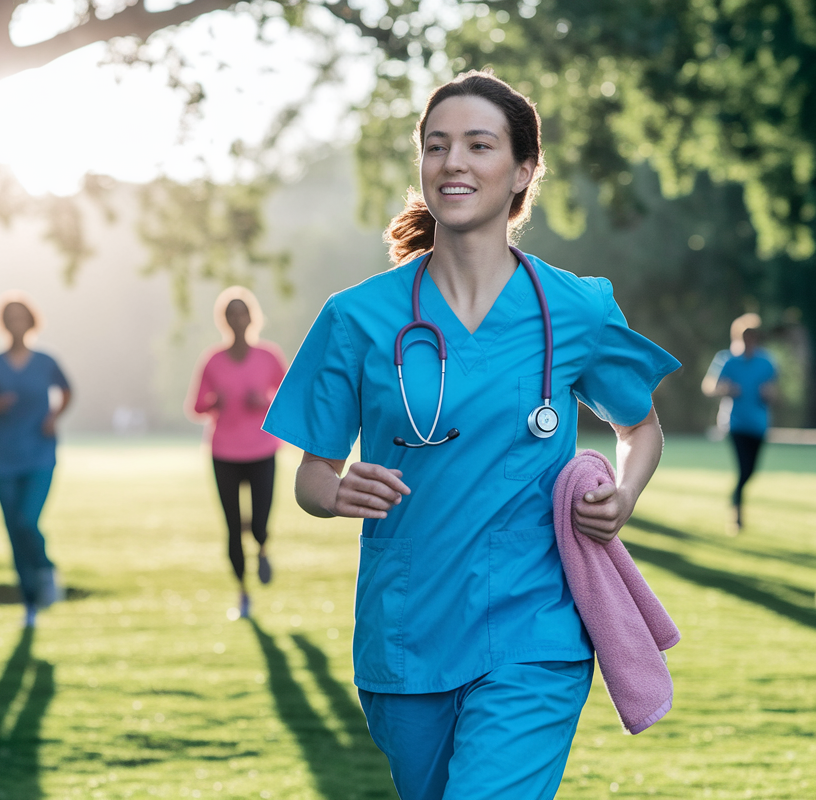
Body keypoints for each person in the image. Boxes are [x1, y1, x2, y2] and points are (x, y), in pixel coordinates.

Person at [262, 71, 681, 800]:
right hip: (406, 634)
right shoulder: (357, 317)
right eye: (436, 145)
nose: (452, 162)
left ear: (522, 171)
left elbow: (639, 426)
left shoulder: (575, 308)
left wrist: (625, 494)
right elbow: (309, 478)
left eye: (478, 145)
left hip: (534, 632)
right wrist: (336, 491)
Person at [187, 287, 287, 619]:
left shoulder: (269, 357)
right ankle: (243, 592)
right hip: (224, 453)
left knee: (259, 522)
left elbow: (288, 400)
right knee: (232, 527)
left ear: (252, 317)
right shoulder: (213, 360)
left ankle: (262, 547)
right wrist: (215, 403)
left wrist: (265, 402)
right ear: (224, 321)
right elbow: (196, 406)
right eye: (231, 314)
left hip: (262, 450)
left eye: (242, 312)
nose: (237, 319)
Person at [0, 294, 72, 628]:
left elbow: (67, 390)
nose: (16, 324)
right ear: (3, 324)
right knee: (13, 529)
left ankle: (45, 570)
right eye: (10, 318)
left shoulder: (45, 362)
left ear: (31, 321)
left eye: (21, 317)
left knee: (28, 520)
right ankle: (29, 602)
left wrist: (54, 416)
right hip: (3, 455)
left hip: (40, 453)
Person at [701, 313, 778, 531]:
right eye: (745, 335)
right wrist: (725, 389)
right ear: (738, 336)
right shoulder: (727, 359)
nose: (749, 339)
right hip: (735, 424)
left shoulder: (767, 361)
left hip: (759, 425)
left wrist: (770, 394)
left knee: (750, 471)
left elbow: (776, 393)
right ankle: (737, 514)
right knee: (743, 469)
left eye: (752, 335)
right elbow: (709, 387)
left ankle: (736, 501)